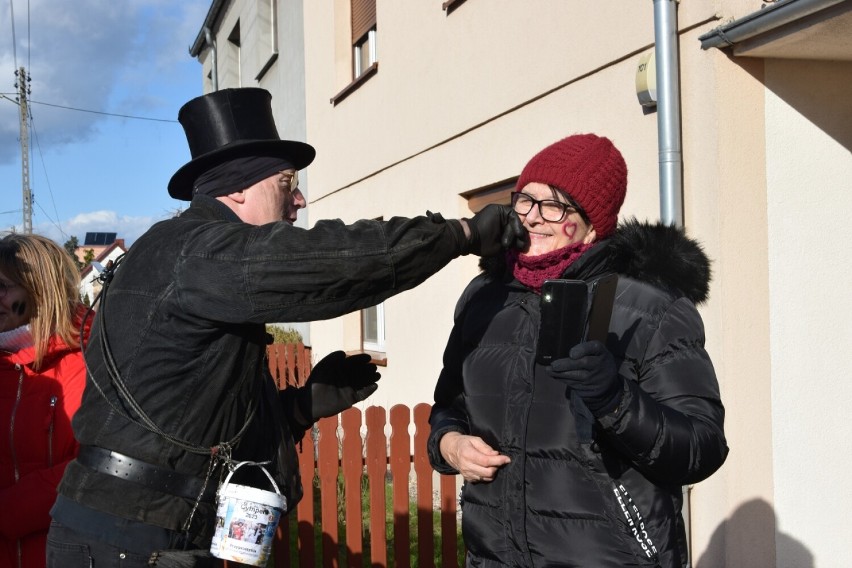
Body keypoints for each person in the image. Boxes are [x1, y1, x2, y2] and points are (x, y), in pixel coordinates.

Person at [45, 87, 525, 567]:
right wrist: (461, 234)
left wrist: (299, 408)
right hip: (125, 538)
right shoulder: (203, 251)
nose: (297, 199)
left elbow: (187, 405)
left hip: (134, 526)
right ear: (237, 187)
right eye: (286, 182)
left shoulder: (183, 254)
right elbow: (338, 262)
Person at [428, 134, 728, 567]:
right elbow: (449, 404)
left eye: (555, 206)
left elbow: (702, 446)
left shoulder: (650, 308)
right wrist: (450, 443)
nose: (532, 217)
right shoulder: (484, 298)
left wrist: (615, 399)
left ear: (592, 225)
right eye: (524, 200)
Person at [0, 233, 88, 568]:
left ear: (40, 290)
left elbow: (94, 464)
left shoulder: (88, 362)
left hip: (62, 554)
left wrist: (8, 511)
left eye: (4, 286)